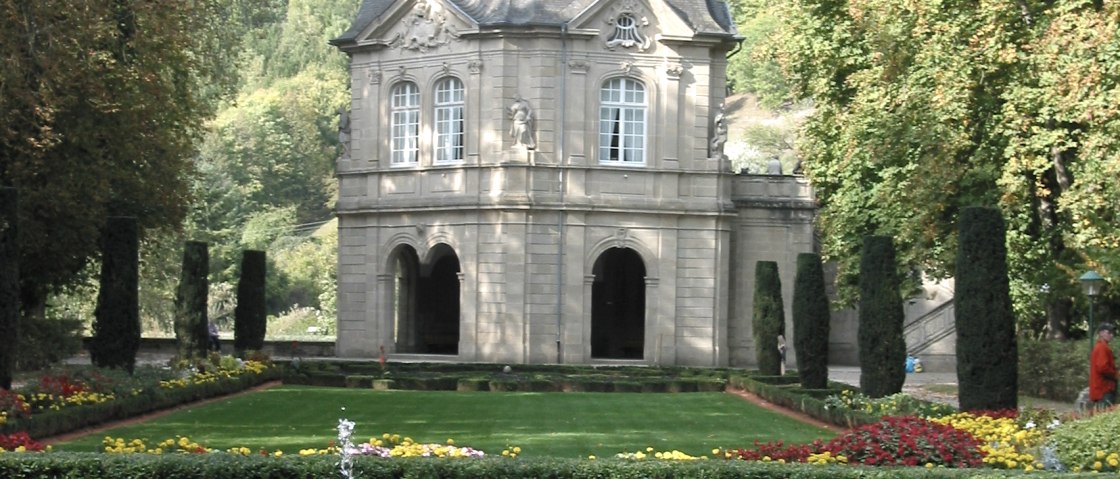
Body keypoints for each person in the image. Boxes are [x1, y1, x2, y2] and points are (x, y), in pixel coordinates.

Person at [1090, 322, 1117, 408]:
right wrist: (1116, 374)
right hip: (1104, 389)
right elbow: (1102, 367)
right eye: (1109, 332)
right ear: (1101, 333)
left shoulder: (1100, 346)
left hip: (1100, 388)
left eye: (1112, 333)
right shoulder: (1102, 347)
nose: (1111, 335)